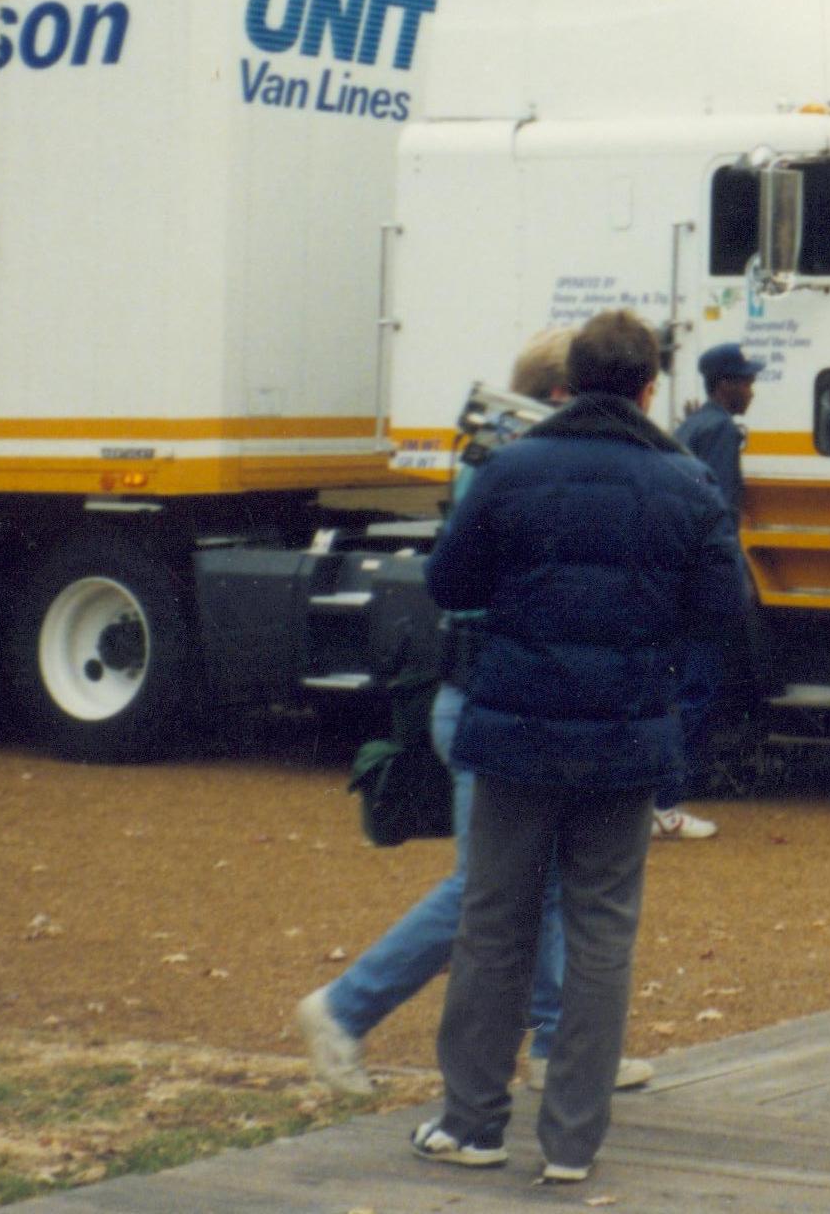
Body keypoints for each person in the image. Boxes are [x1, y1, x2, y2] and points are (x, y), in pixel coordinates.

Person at [414, 309, 743, 1183]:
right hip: (626, 736)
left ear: (569, 382)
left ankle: (474, 1121)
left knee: (494, 920)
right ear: (647, 389)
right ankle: (570, 1143)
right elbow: (725, 614)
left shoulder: (510, 469)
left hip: (516, 725)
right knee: (601, 930)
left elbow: (448, 580)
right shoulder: (684, 484)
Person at [297, 328, 656, 1098]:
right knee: (486, 887)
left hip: (485, 692)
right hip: (493, 695)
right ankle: (345, 1006)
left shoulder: (500, 462)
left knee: (534, 882)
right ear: (562, 397)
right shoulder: (520, 468)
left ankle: (557, 1042)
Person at [653, 341, 763, 842]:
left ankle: (655, 797)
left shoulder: (694, 426)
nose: (751, 389)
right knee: (696, 691)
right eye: (745, 381)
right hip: (701, 581)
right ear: (725, 385)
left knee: (676, 690)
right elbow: (715, 509)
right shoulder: (718, 429)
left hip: (674, 576)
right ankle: (666, 801)